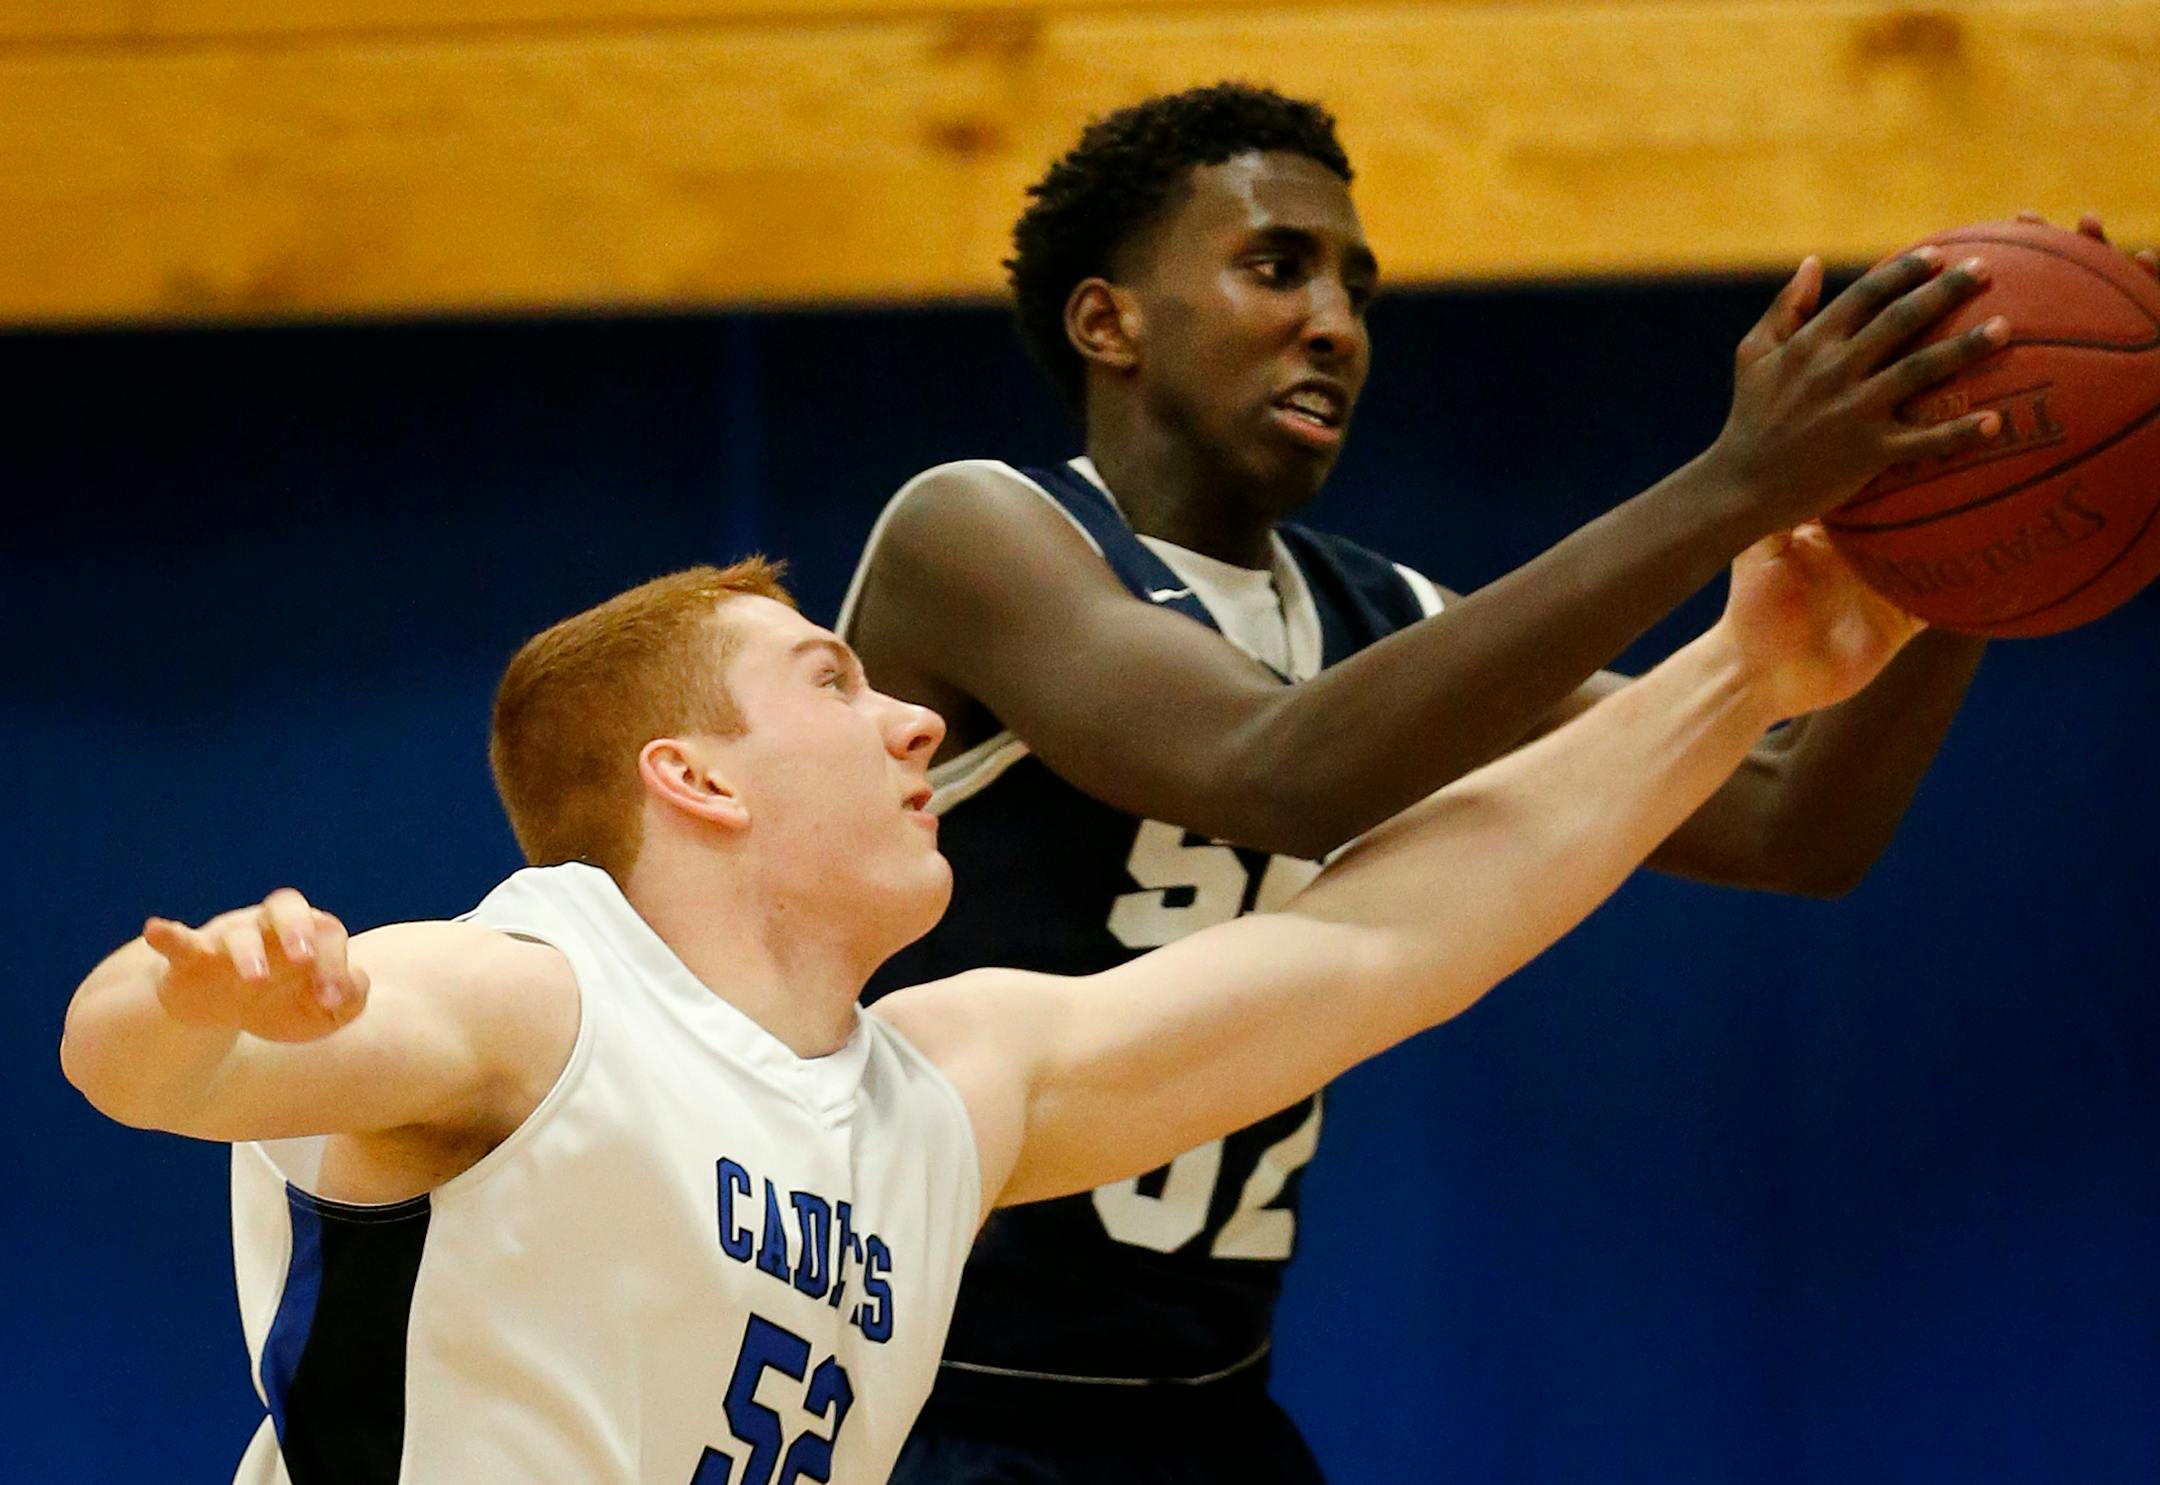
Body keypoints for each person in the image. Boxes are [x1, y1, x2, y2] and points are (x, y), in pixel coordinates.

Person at [833, 83, 2143, 1482]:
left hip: (1205, 1413)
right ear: (1112, 322)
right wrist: (1729, 488)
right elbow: (1274, 770)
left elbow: (1788, 818)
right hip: (933, 1406)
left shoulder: (1370, 608)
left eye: (1357, 286)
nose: (1335, 323)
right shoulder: (978, 531)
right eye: (1277, 266)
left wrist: (1971, 539)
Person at [65, 530, 1915, 1485]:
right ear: (691, 779)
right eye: (833, 680)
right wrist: (199, 993)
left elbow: (1389, 946)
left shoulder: (944, 1080)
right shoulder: (539, 992)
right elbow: (135, 1066)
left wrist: (1744, 664)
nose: (918, 724)